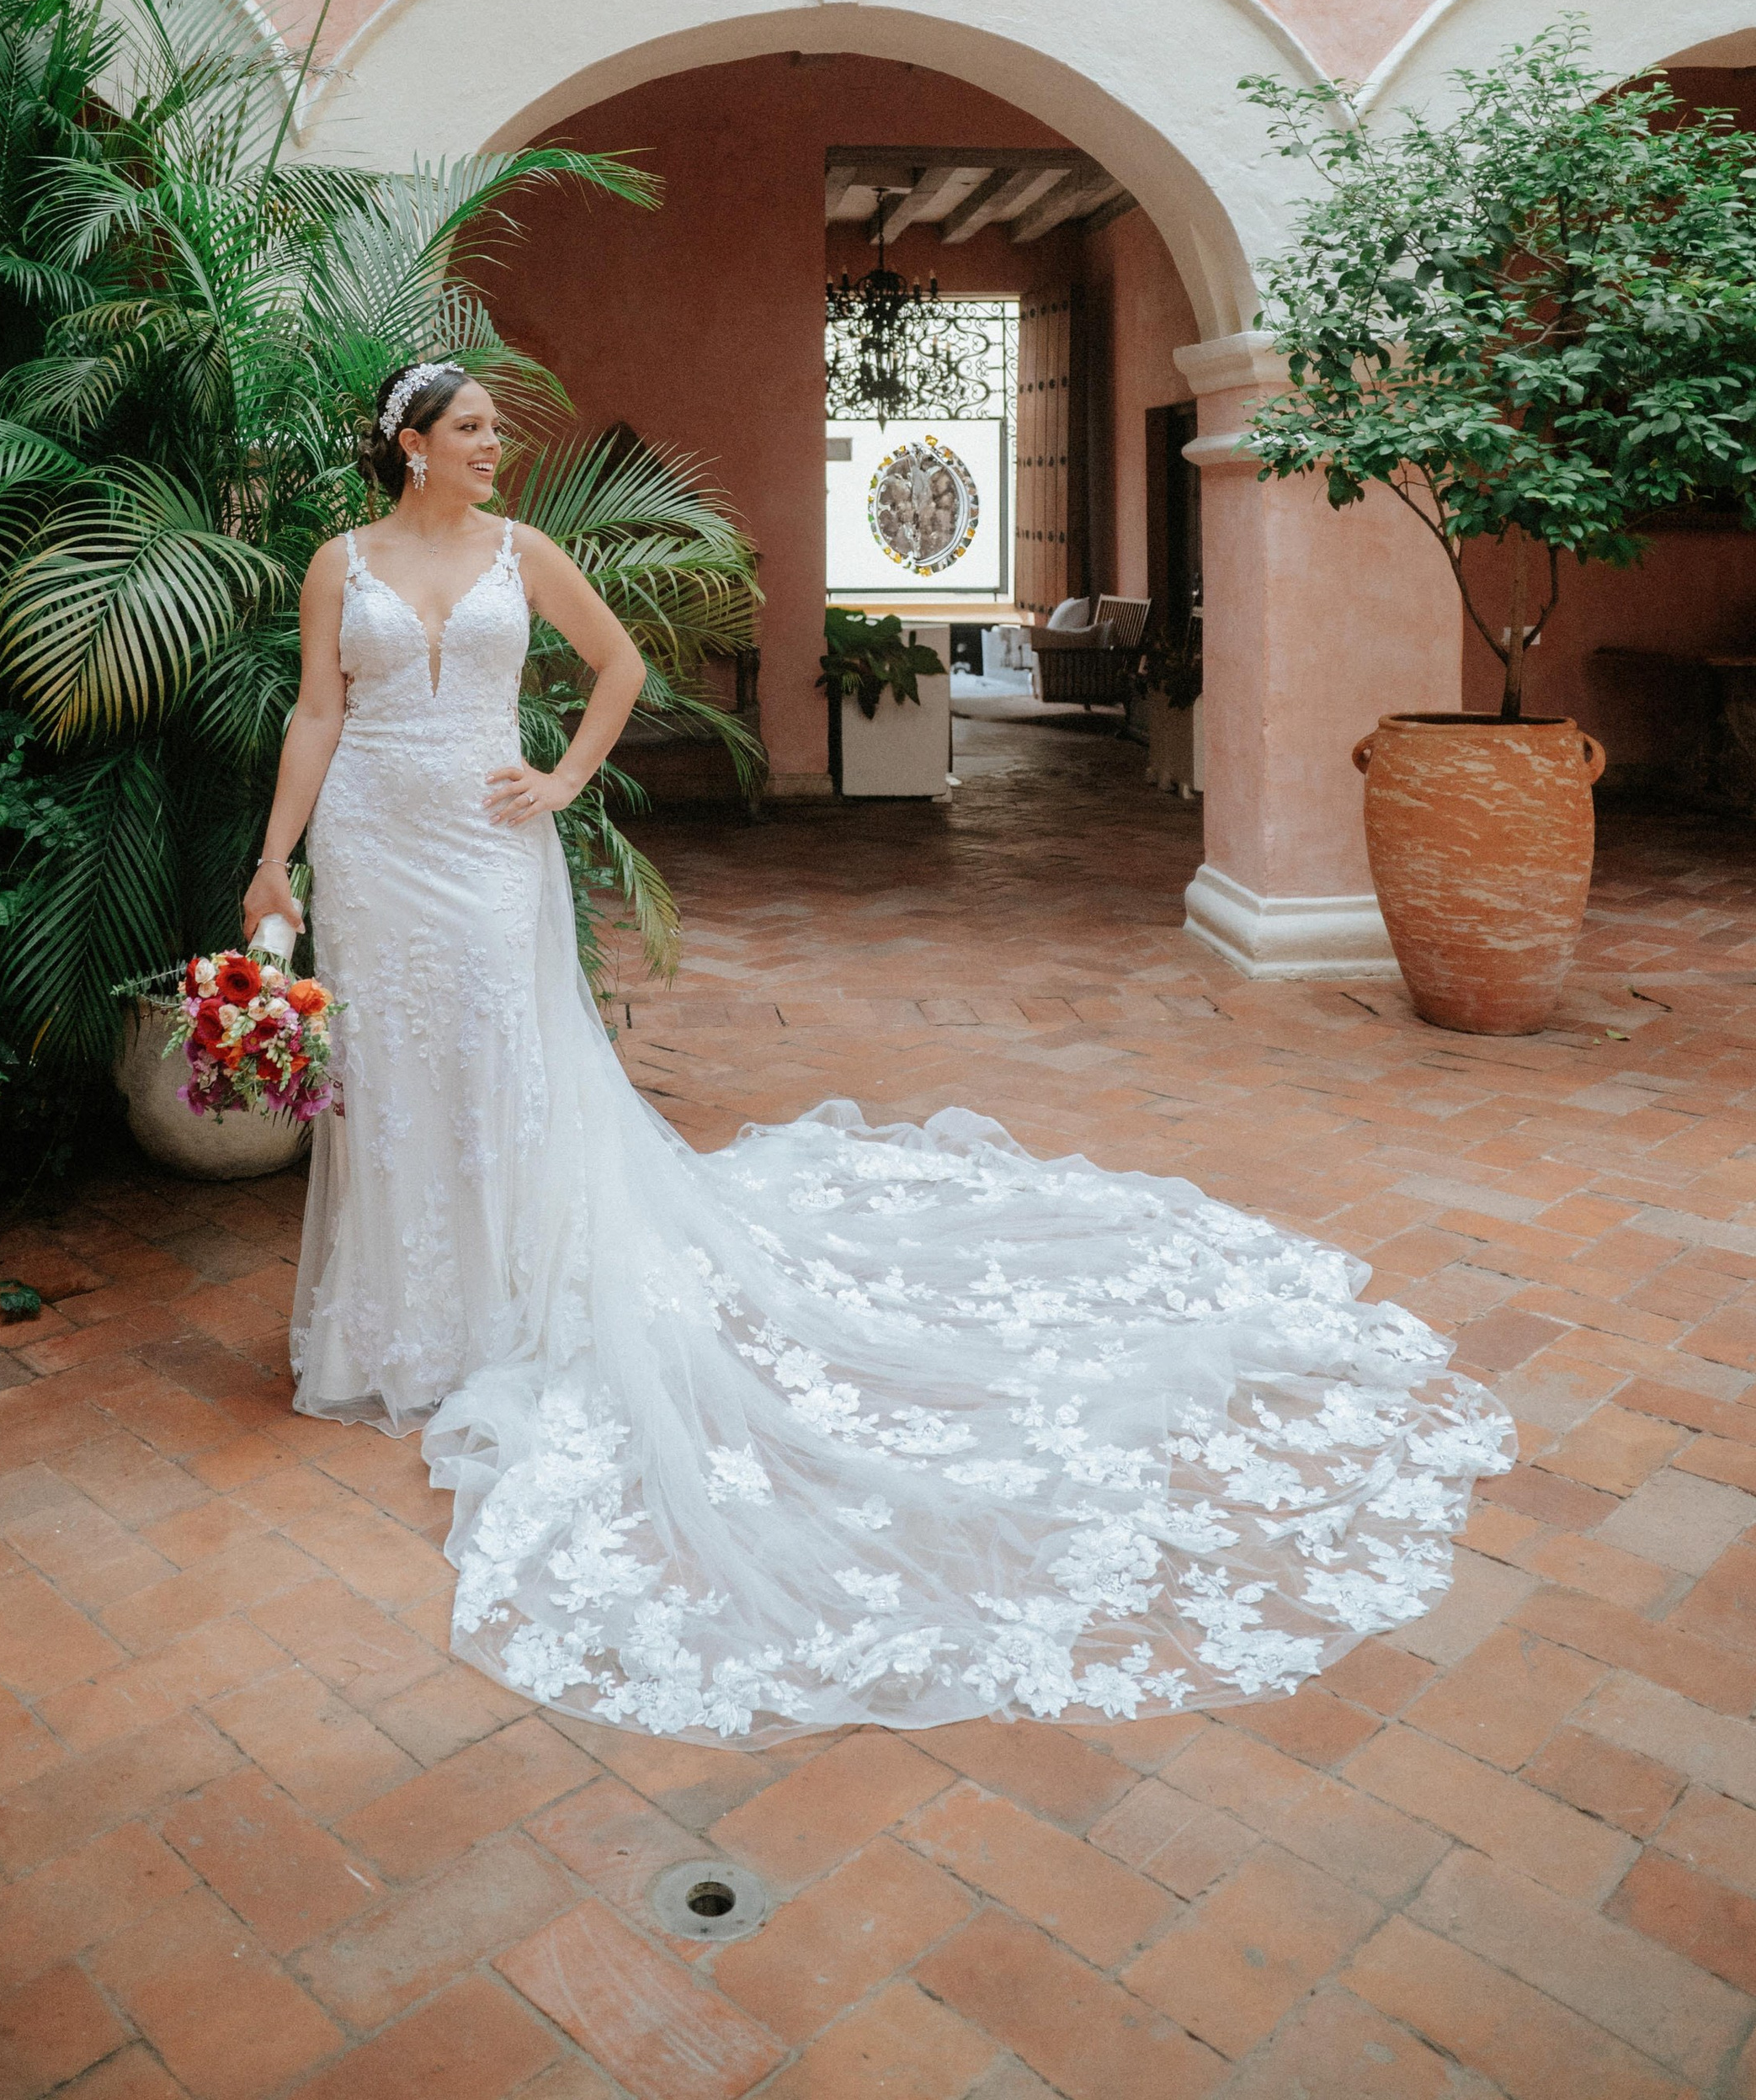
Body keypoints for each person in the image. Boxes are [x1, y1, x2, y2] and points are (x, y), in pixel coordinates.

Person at [245, 359, 1513, 1748]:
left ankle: (508, 1298)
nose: (498, 446)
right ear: (413, 444)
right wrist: (274, 868)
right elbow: (319, 714)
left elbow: (621, 668)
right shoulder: (339, 564)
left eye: (496, 429)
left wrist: (561, 779)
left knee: (501, 1063)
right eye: (474, 430)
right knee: (401, 1077)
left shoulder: (522, 552)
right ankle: (411, 1320)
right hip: (374, 847)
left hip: (489, 852)